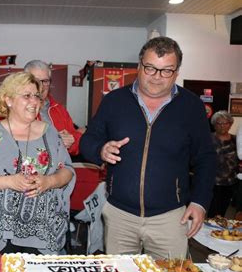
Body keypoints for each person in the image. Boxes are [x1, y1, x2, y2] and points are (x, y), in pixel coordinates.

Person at [80, 36, 216, 259]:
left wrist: (200, 202)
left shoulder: (191, 106)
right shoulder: (114, 101)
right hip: (119, 216)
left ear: (177, 72)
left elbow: (206, 158)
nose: (157, 77)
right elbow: (88, 140)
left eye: (166, 71)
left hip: (171, 218)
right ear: (139, 65)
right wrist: (100, 149)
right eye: (150, 68)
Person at [0, 72, 75, 255]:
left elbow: (68, 171)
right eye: (26, 96)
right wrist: (9, 182)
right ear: (8, 100)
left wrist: (49, 182)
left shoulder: (50, 133)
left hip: (43, 233)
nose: (34, 102)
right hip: (0, 234)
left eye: (37, 96)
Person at [24, 60, 82, 156]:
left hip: (58, 168)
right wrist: (54, 140)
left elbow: (76, 143)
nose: (41, 86)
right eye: (36, 81)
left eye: (45, 81)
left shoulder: (59, 109)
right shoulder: (14, 109)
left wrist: (72, 141)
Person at [207, 111, 238, 218]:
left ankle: (219, 232)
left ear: (230, 124)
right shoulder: (208, 139)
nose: (222, 126)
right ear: (214, 125)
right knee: (212, 213)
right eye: (219, 123)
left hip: (230, 183)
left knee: (224, 212)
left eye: (225, 123)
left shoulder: (236, 140)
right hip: (212, 182)